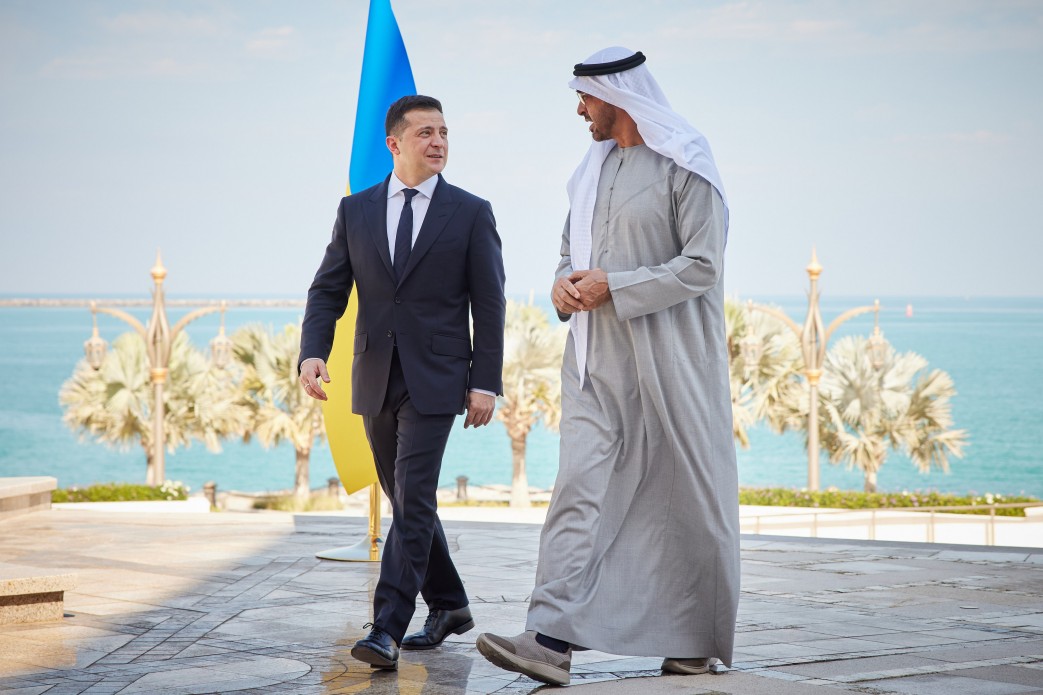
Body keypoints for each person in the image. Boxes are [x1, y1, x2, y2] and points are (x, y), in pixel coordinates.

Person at [475, 47, 739, 686]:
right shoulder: (589, 172)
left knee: (685, 494)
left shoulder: (686, 163)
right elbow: (571, 251)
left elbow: (704, 264)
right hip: (595, 361)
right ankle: (549, 640)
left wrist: (613, 286)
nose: (580, 111)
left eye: (585, 98)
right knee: (578, 487)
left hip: (674, 359)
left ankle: (692, 640)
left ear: (618, 97)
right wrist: (564, 285)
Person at [299, 95, 506, 670]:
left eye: (444, 132)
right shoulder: (356, 210)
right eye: (425, 133)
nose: (438, 142)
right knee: (407, 499)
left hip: (438, 378)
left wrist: (485, 381)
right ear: (394, 143)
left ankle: (385, 629)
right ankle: (450, 604)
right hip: (373, 375)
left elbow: (490, 303)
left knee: (413, 496)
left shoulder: (471, 212)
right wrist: (312, 353)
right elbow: (328, 289)